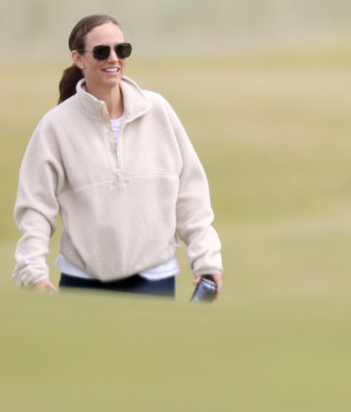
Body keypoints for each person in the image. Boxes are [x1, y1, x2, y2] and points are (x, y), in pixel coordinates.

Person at [12, 15, 223, 299]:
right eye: (101, 51)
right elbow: (36, 208)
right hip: (83, 281)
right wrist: (33, 273)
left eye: (121, 49)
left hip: (155, 280)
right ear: (78, 59)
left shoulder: (157, 110)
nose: (113, 58)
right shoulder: (55, 126)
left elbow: (190, 194)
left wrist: (207, 261)